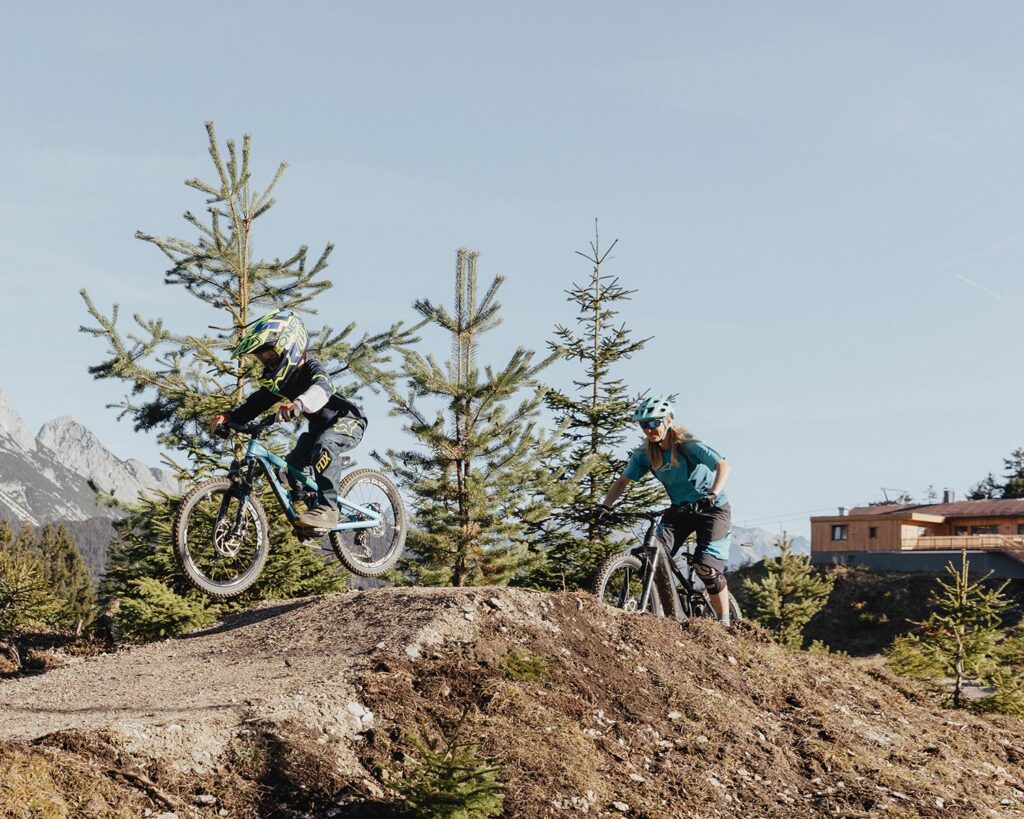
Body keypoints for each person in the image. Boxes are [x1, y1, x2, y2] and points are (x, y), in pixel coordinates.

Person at [209, 309, 367, 529]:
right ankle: (312, 503)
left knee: (324, 446)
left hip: (347, 421)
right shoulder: (281, 381)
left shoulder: (311, 368)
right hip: (318, 429)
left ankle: (329, 509)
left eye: (271, 355)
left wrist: (299, 404)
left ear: (290, 344)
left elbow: (322, 388)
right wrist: (228, 417)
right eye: (262, 357)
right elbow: (256, 403)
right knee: (291, 464)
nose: (268, 362)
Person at [598, 395, 734, 625]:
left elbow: (723, 465)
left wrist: (711, 494)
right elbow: (622, 482)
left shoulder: (688, 445)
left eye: (654, 422)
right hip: (679, 510)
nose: (649, 429)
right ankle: (660, 609)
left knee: (706, 567)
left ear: (668, 420)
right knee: (649, 555)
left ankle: (725, 621)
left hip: (712, 509)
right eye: (644, 424)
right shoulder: (644, 454)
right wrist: (604, 507)